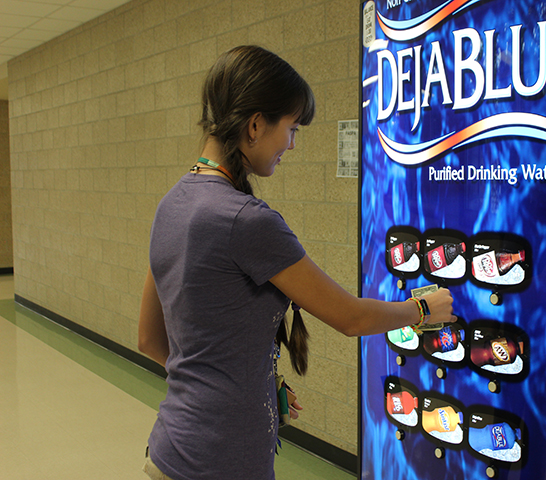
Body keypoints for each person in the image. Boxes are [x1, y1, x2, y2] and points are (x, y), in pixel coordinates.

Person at [137, 45, 456, 480]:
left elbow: (150, 341)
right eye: (291, 128)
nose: (291, 144)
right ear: (255, 125)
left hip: (169, 452)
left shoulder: (170, 205)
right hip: (219, 464)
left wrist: (249, 385)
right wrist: (422, 310)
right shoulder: (246, 221)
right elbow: (349, 317)